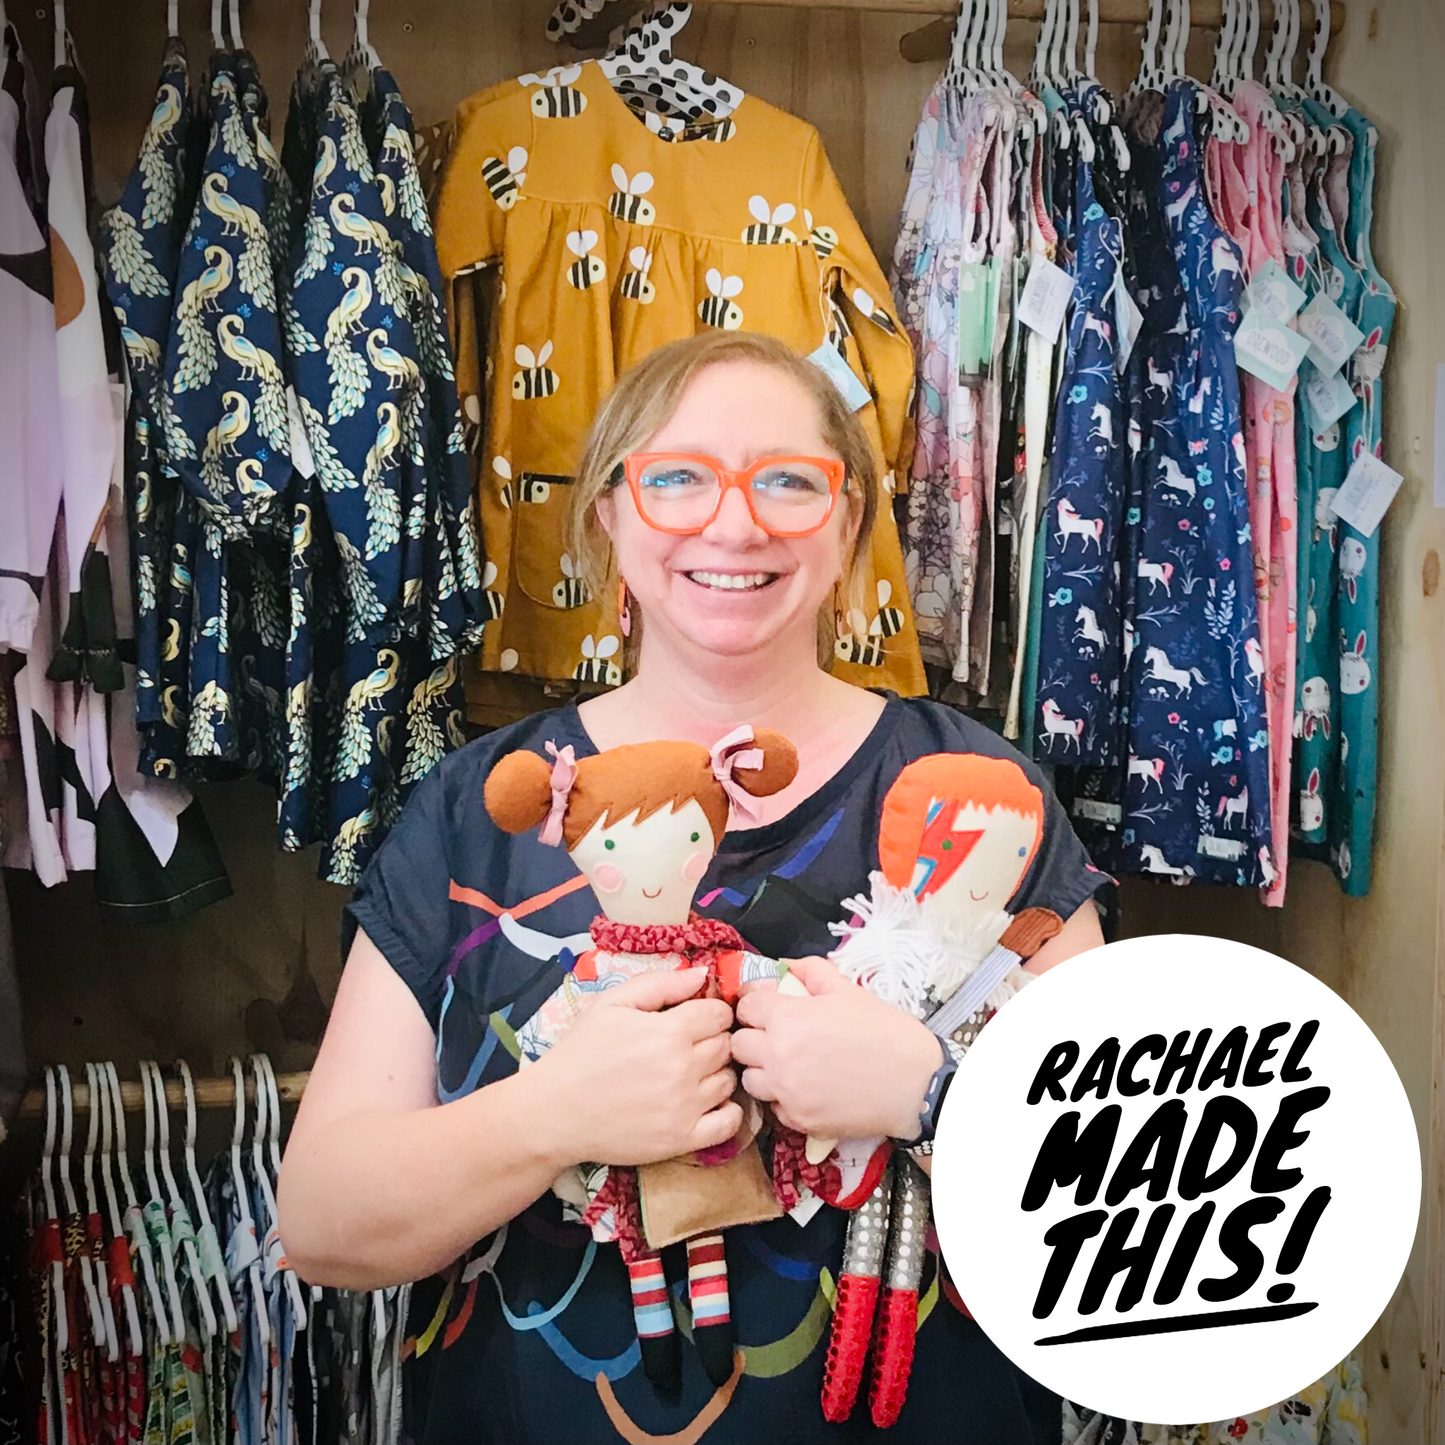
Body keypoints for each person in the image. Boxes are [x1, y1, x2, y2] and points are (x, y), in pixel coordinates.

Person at [278, 330, 1109, 1444]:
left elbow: (1134, 1212)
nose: (734, 522)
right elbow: (323, 1221)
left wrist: (929, 1095)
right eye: (676, 477)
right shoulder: (477, 813)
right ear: (610, 517)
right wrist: (552, 1114)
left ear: (848, 523)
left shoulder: (982, 802)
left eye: (787, 481)